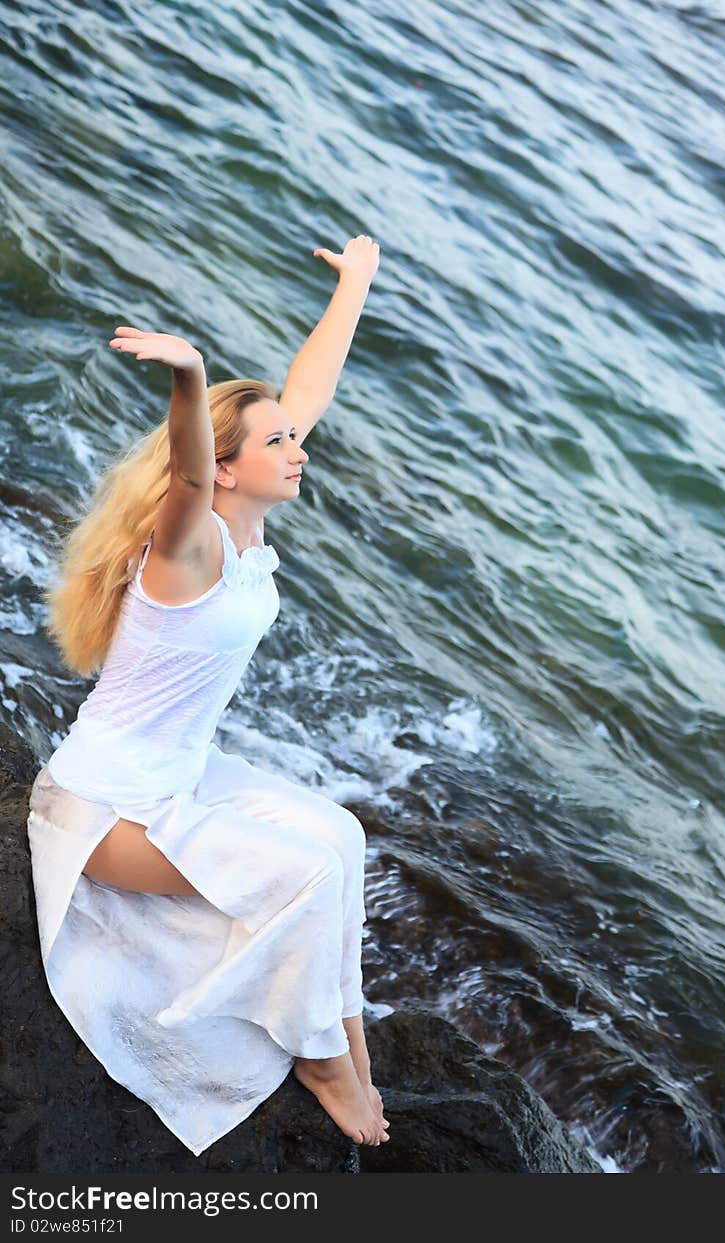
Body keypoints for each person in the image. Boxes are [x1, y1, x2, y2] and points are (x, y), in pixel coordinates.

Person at [26, 235, 391, 1155]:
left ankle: (350, 1041)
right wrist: (190, 375)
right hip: (99, 809)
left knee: (341, 837)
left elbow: (307, 392)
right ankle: (320, 1058)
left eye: (290, 438)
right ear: (228, 468)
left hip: (179, 779)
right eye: (275, 443)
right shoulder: (185, 551)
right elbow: (188, 470)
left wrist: (355, 285)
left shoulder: (246, 533)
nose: (297, 448)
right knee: (303, 874)